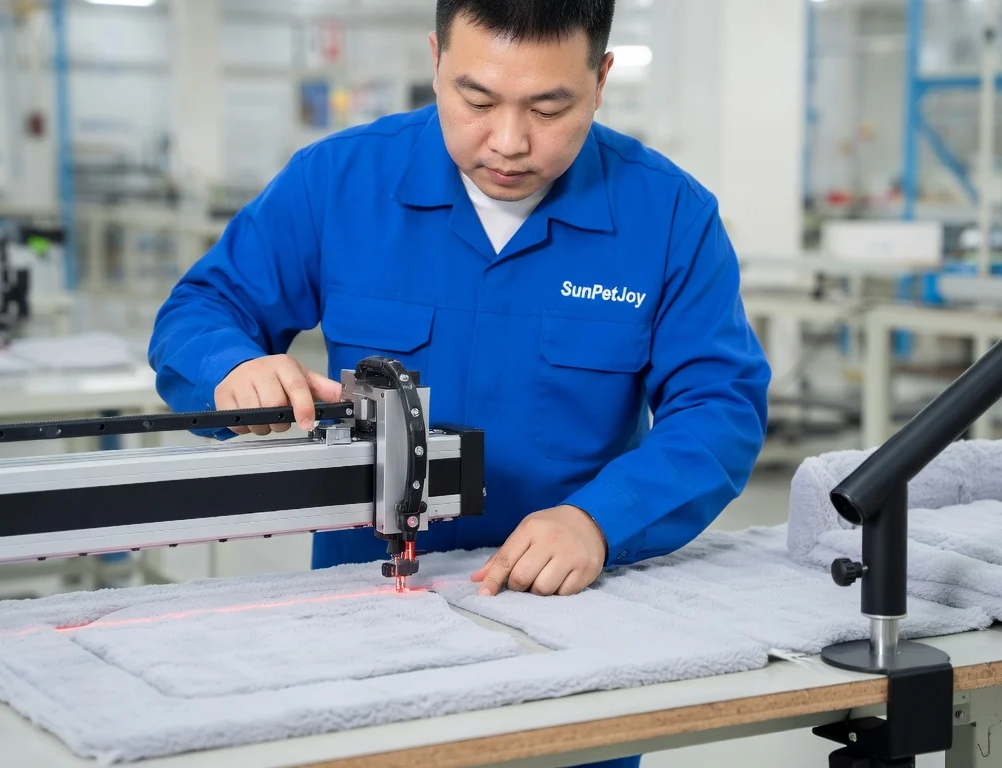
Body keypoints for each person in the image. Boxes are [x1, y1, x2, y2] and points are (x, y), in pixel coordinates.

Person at [148, 2, 769, 763]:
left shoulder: (669, 216)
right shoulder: (338, 183)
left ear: (601, 79)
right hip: (366, 616)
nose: (509, 143)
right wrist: (232, 367)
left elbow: (718, 408)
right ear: (436, 59)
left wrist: (603, 521)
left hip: (571, 628)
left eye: (550, 107)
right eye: (476, 100)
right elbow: (199, 313)